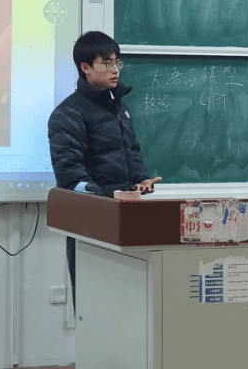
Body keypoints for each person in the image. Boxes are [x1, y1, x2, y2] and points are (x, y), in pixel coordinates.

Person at [47, 30, 162, 301]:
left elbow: (131, 152)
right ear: (85, 67)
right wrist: (110, 198)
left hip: (128, 222)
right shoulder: (68, 114)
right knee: (95, 306)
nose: (115, 70)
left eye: (117, 62)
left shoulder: (120, 108)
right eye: (107, 63)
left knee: (131, 304)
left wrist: (140, 179)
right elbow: (71, 176)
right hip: (91, 226)